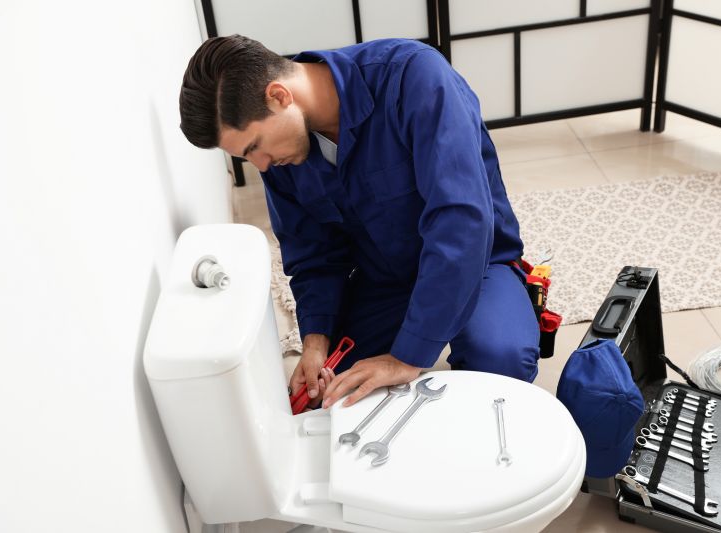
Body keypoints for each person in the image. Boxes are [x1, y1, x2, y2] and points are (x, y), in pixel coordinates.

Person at [179, 35, 540, 410]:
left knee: (500, 358)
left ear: (279, 96)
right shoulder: (281, 155)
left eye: (254, 146)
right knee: (327, 394)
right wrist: (316, 341)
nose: (262, 165)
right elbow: (312, 253)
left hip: (477, 263)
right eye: (246, 157)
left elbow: (461, 222)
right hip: (385, 279)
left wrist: (406, 358)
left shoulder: (414, 77)